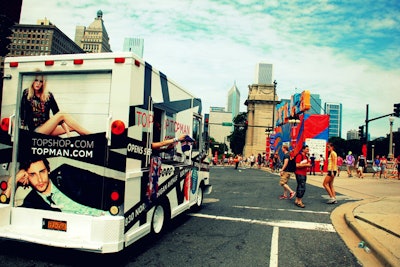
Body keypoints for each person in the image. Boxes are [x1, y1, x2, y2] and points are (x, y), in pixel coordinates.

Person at [7, 158, 105, 216]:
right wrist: (12, 183)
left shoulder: (65, 173)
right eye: (33, 175)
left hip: (106, 217)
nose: (40, 180)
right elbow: (4, 216)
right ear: (26, 177)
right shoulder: (31, 201)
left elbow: (103, 182)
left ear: (48, 170)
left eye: (42, 172)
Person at [20, 74, 90, 136]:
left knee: (73, 126)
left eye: (41, 81)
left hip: (47, 128)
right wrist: (22, 130)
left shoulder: (48, 95)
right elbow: (22, 112)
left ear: (43, 83)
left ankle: (88, 137)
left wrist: (68, 133)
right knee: (62, 114)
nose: (38, 83)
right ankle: (88, 133)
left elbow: (56, 112)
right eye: (36, 80)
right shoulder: (27, 93)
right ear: (32, 81)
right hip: (35, 131)